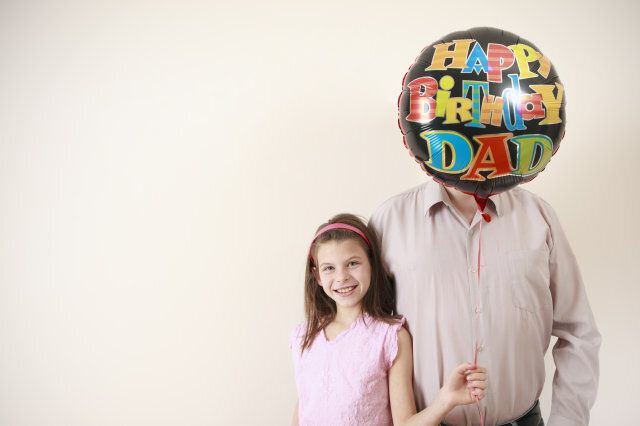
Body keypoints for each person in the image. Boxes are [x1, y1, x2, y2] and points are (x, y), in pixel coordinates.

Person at [369, 182, 601, 426]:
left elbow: (578, 332)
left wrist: (568, 421)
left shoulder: (537, 215)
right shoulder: (391, 220)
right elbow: (369, 335)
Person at [290, 213, 488, 426]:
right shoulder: (303, 336)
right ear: (317, 275)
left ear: (372, 265)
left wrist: (445, 399)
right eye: (329, 268)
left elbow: (404, 423)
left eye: (352, 263)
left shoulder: (390, 337)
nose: (341, 277)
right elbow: (302, 409)